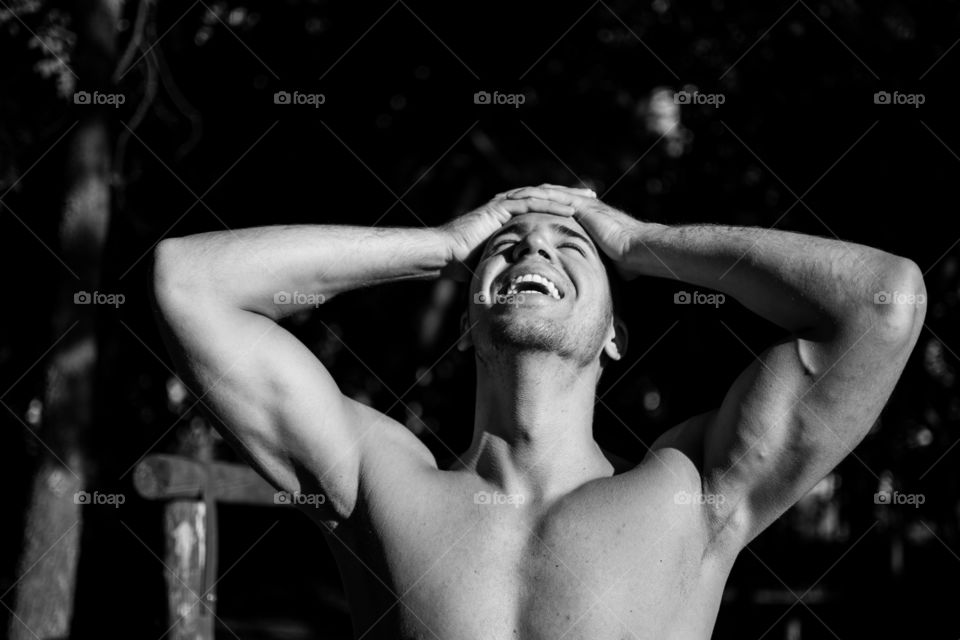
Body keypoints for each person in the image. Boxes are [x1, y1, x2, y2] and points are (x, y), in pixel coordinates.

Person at [152, 184, 925, 639]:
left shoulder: (692, 494)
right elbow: (187, 282)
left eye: (570, 248)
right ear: (466, 324)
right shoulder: (376, 483)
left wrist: (641, 242)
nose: (533, 252)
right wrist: (443, 245)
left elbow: (884, 302)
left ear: (615, 337)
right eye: (509, 243)